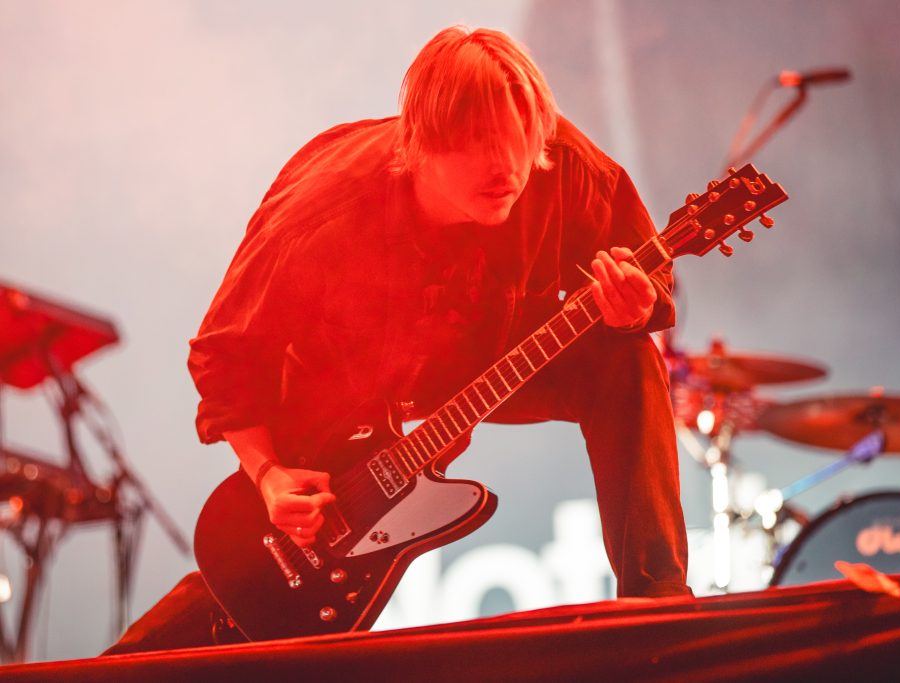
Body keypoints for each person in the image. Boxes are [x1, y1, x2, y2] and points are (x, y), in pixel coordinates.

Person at [105, 25, 689, 654]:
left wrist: (634, 308)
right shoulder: (324, 209)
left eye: (521, 139)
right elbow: (225, 353)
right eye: (480, 144)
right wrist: (268, 474)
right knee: (279, 561)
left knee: (626, 359)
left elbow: (648, 271)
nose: (509, 167)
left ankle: (658, 609)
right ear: (423, 144)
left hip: (485, 352)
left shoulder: (562, 163)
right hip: (340, 383)